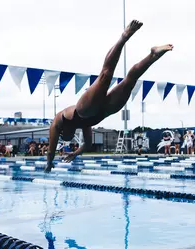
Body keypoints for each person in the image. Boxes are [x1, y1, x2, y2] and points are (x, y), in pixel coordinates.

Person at [45, 20, 173, 172]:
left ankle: (124, 37)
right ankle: (153, 55)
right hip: (104, 112)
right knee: (129, 82)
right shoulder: (83, 126)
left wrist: (48, 164)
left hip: (86, 109)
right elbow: (88, 144)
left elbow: (51, 149)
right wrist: (75, 153)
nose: (70, 136)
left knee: (105, 74)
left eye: (66, 136)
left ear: (62, 132)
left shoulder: (57, 123)